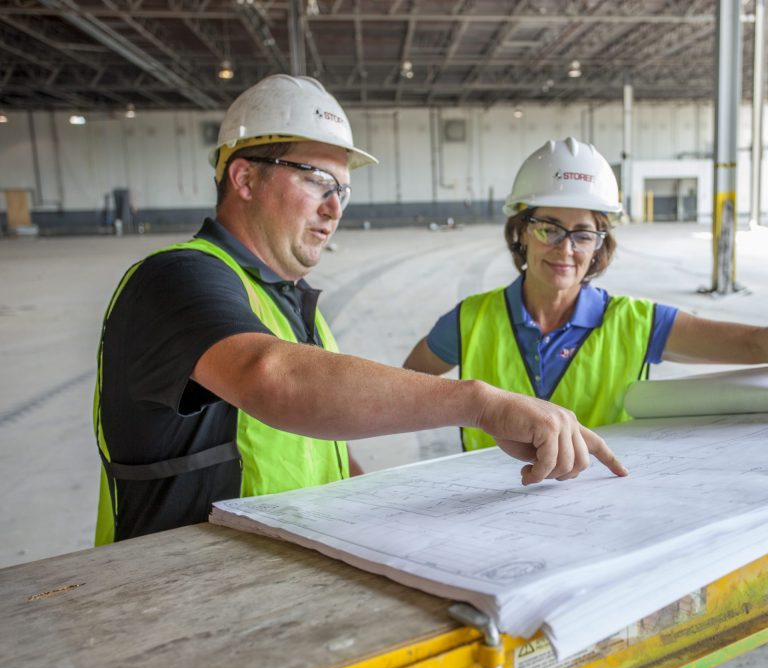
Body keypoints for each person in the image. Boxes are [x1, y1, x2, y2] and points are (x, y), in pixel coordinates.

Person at [93, 78, 626, 546]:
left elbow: (310, 444)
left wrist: (367, 497)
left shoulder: (290, 302)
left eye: (342, 191)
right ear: (244, 178)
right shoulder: (176, 279)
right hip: (175, 600)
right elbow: (270, 377)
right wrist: (480, 403)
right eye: (315, 180)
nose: (334, 208)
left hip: (267, 583)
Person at [403, 137, 768, 451]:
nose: (565, 248)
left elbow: (750, 342)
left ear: (599, 245)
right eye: (548, 228)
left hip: (601, 514)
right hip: (482, 518)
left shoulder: (636, 323)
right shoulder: (470, 320)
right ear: (520, 232)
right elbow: (406, 389)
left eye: (583, 234)